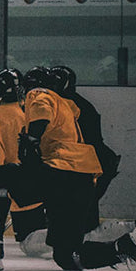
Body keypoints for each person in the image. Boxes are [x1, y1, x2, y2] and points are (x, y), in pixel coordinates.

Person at [0, 67, 136, 271]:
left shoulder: (39, 94)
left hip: (62, 172)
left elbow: (41, 109)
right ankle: (123, 247)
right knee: (67, 257)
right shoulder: (67, 105)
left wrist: (32, 138)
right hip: (82, 182)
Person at [0, 68, 51, 261]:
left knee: (28, 245)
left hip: (10, 184)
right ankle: (73, 235)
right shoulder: (30, 112)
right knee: (31, 240)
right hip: (39, 185)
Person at [50, 65, 122, 200]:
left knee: (79, 209)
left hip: (86, 164)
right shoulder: (75, 103)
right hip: (94, 162)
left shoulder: (69, 105)